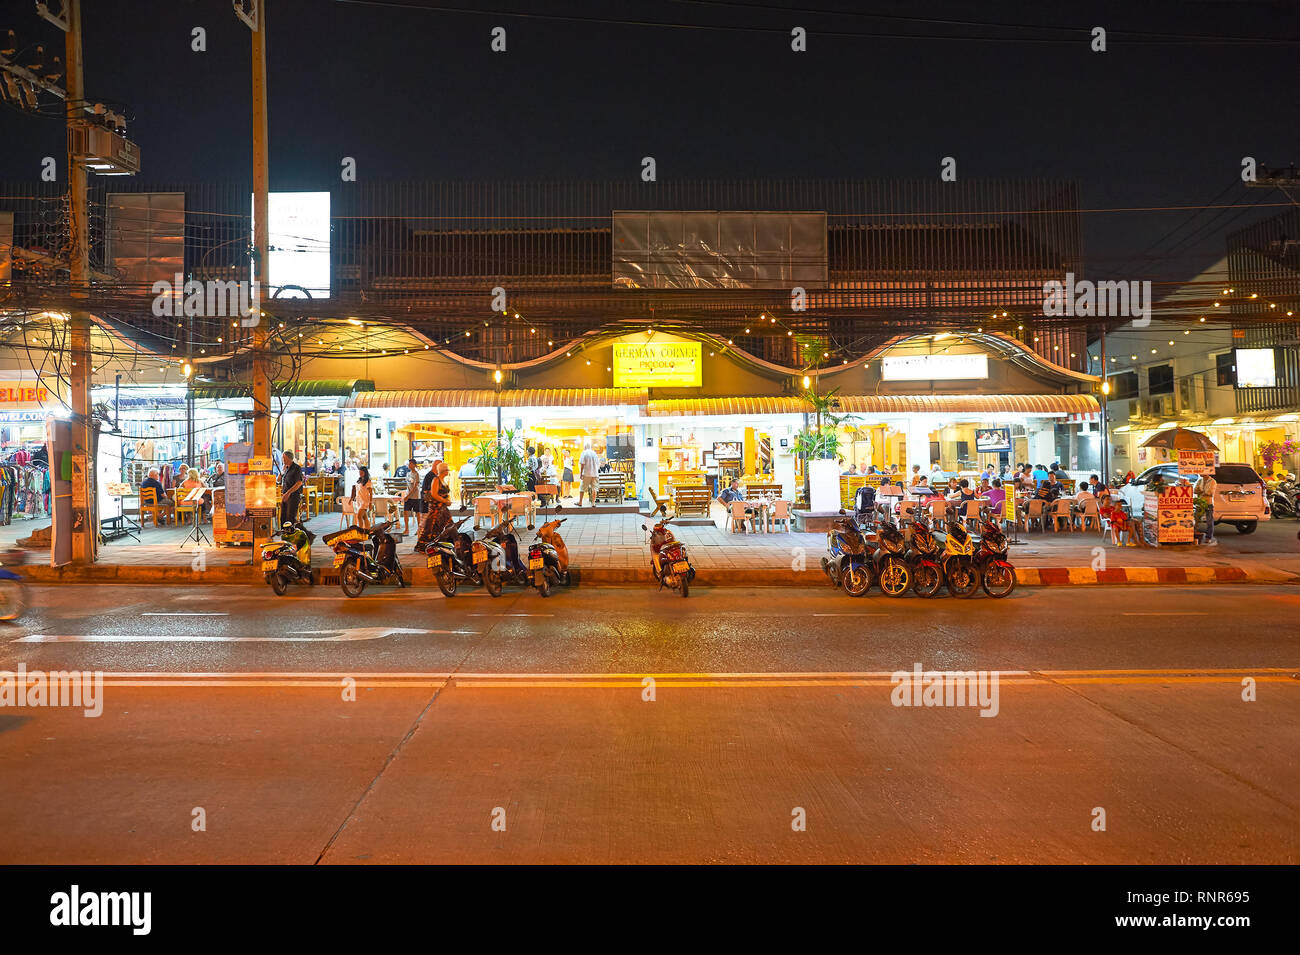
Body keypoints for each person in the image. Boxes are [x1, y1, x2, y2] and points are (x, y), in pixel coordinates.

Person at [416, 460, 452, 550]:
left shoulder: (442, 480)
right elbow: (434, 494)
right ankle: (429, 545)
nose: (448, 471)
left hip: (442, 508)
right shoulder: (436, 480)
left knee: (447, 525)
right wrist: (444, 500)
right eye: (447, 470)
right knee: (432, 527)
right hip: (436, 508)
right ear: (444, 471)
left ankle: (444, 543)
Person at [279, 451, 304, 529]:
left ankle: (291, 535)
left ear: (288, 458)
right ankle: (284, 533)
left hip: (293, 496)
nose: (282, 460)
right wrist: (282, 472)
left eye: (283, 458)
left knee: (290, 517)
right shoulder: (286, 468)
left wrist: (288, 493)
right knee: (283, 517)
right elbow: (278, 480)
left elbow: (299, 483)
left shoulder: (296, 468)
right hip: (285, 495)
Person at [402, 457, 422, 535]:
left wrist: (408, 495)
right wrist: (406, 494)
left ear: (414, 465)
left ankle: (419, 529)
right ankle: (407, 529)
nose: (409, 465)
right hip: (408, 496)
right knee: (405, 512)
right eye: (408, 463)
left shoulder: (417, 474)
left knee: (417, 513)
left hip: (416, 497)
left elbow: (415, 487)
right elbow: (408, 485)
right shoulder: (408, 474)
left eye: (410, 463)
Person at [577, 440, 601, 506]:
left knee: (582, 488)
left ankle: (580, 502)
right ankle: (593, 503)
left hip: (586, 473)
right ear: (590, 447)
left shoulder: (584, 453)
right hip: (595, 473)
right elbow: (598, 464)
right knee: (594, 488)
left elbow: (582, 464)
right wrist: (595, 470)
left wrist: (581, 473)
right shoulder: (594, 453)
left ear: (585, 447)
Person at [352, 465, 374, 529]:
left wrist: (370, 503)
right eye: (359, 472)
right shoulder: (359, 480)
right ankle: (368, 530)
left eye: (362, 472)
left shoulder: (368, 482)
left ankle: (361, 531)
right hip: (359, 501)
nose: (360, 474)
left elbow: (371, 493)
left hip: (365, 501)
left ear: (365, 473)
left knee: (359, 516)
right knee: (365, 517)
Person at [1198, 471, 1218, 545]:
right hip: (1200, 502)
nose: (1199, 473)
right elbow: (1195, 490)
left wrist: (1202, 492)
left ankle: (1208, 537)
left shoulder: (1212, 481)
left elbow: (1210, 492)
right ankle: (1196, 536)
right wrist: (1203, 492)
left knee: (1209, 521)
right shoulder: (1200, 480)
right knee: (1196, 519)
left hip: (1208, 503)